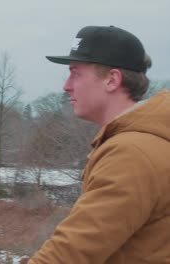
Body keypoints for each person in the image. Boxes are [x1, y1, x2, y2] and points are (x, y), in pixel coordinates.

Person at [27, 25, 170, 263]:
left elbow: (71, 252)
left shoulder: (132, 152)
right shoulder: (145, 140)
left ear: (112, 80)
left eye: (76, 73)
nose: (66, 85)